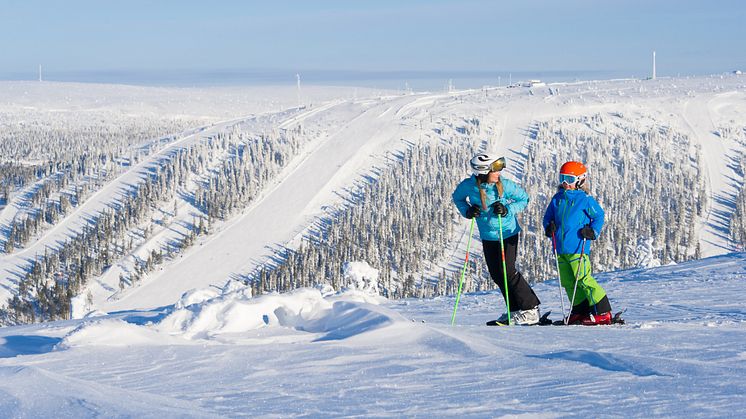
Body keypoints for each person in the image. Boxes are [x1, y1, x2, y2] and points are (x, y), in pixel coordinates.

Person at [452, 153, 541, 325]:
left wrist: (507, 209)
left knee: (508, 272)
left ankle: (530, 309)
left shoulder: (504, 185)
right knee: (497, 274)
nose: (500, 172)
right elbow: (458, 198)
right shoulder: (469, 186)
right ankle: (515, 310)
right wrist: (468, 210)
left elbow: (524, 199)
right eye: (496, 169)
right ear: (484, 171)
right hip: (488, 236)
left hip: (507, 232)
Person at [543, 161, 613, 325]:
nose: (565, 183)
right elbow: (548, 217)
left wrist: (592, 231)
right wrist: (549, 226)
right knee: (568, 281)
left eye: (569, 178)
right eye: (562, 178)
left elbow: (599, 216)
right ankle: (580, 311)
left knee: (583, 279)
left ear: (580, 180)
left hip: (577, 246)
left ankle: (603, 312)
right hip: (560, 247)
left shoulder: (585, 199)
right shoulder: (557, 198)